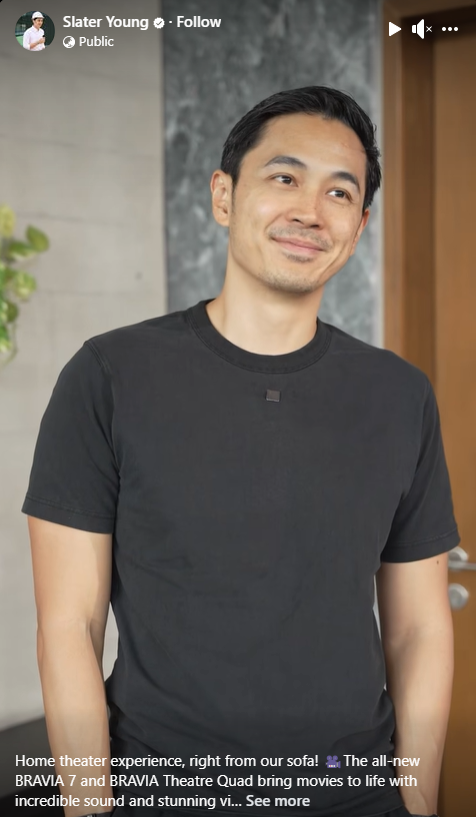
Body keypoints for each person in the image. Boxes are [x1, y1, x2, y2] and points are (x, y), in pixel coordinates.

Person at [23, 87, 457, 817]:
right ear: (224, 196)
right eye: (284, 177)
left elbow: (418, 628)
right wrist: (88, 806)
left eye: (340, 192)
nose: (311, 211)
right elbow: (70, 626)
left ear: (359, 226)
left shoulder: (400, 394)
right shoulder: (109, 375)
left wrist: (415, 800)